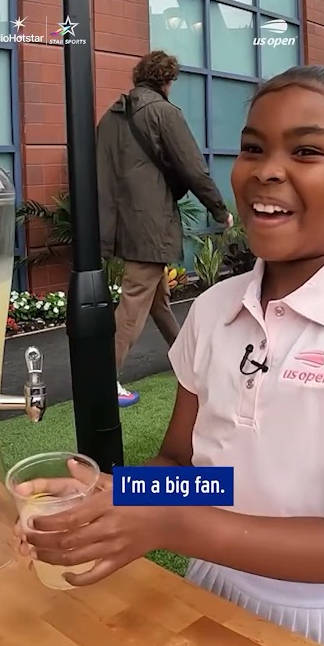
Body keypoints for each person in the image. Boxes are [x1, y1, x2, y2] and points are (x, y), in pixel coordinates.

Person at [17, 66, 324, 646]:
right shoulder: (213, 312)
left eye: (307, 150)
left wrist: (170, 527)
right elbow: (196, 470)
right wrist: (114, 493)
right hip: (206, 596)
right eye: (252, 147)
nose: (266, 169)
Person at [97, 51, 233, 407]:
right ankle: (102, 381)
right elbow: (192, 168)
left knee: (157, 300)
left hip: (120, 220)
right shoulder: (164, 112)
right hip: (150, 223)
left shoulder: (112, 116)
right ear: (166, 80)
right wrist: (220, 210)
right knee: (134, 303)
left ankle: (187, 361)